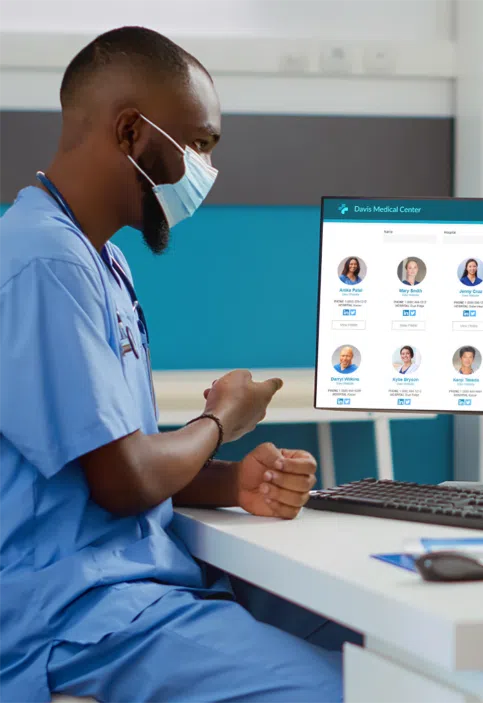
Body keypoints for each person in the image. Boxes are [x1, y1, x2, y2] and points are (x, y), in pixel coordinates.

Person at [0, 27, 349, 702]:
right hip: (73, 618)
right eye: (197, 144)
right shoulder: (44, 262)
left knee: (381, 648)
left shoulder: (101, 260)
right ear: (131, 131)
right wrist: (223, 420)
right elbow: (123, 482)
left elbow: (113, 457)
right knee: (350, 688)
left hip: (136, 585)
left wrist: (231, 482)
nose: (204, 171)